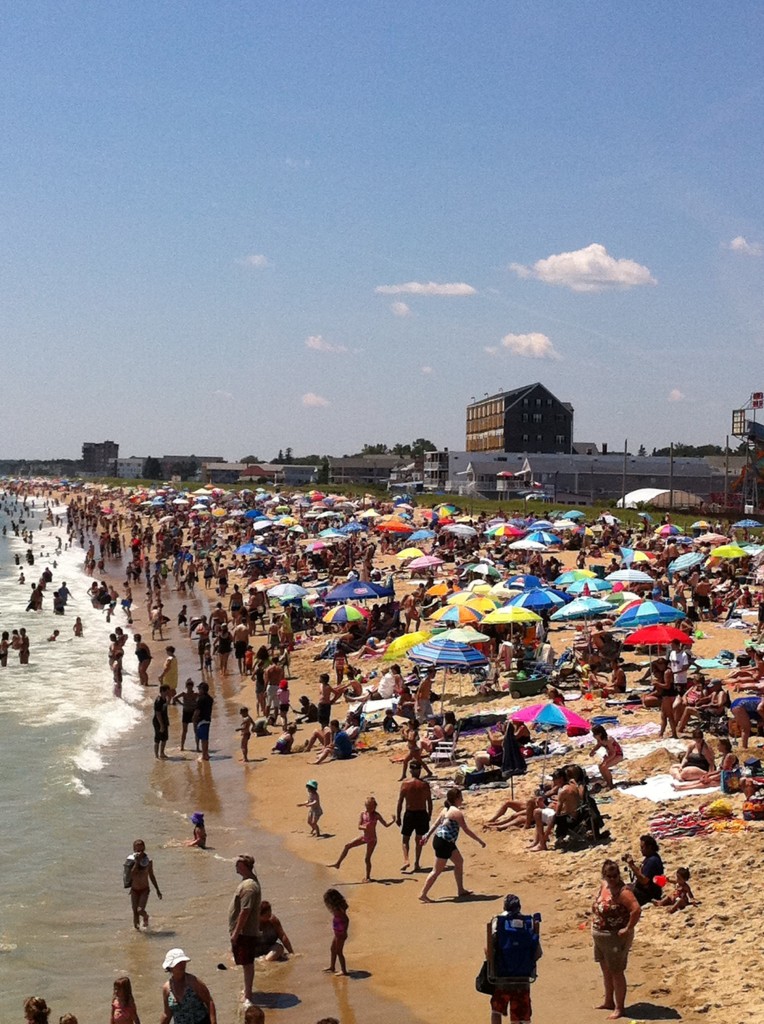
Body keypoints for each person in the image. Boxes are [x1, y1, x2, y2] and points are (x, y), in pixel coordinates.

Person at [591, 860, 641, 1020]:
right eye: (609, 876)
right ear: (604, 876)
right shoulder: (604, 886)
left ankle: (620, 1008)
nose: (612, 879)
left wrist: (628, 928)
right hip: (600, 935)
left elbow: (636, 910)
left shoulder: (623, 892)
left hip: (615, 938)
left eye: (615, 876)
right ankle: (608, 1001)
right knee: (605, 970)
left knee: (616, 972)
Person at [419, 787, 486, 902]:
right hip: (444, 843)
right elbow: (466, 830)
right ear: (456, 798)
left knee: (459, 862)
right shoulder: (456, 812)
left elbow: (435, 825)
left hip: (444, 841)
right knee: (436, 871)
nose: (462, 800)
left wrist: (427, 836)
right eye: (461, 797)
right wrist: (479, 840)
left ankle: (460, 890)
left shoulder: (446, 809)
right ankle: (423, 894)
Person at [486, 893, 542, 1024]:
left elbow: (489, 950)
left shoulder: (497, 922)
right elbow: (538, 953)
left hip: (502, 975)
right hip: (522, 977)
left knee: (496, 1010)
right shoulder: (528, 923)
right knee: (521, 1015)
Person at [329, 796, 392, 881]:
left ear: (374, 806)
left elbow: (386, 825)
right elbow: (359, 826)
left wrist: (393, 820)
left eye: (371, 807)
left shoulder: (376, 815)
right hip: (364, 837)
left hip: (372, 839)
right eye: (367, 807)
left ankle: (368, 877)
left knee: (367, 858)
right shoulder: (363, 814)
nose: (369, 809)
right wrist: (364, 827)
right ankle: (338, 863)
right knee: (347, 845)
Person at [228, 854, 262, 1007]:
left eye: (237, 864)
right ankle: (247, 990)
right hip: (244, 931)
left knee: (247, 963)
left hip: (245, 932)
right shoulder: (248, 882)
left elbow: (245, 911)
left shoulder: (249, 887)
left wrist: (236, 932)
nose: (235, 866)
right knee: (245, 962)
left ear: (243, 866)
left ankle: (248, 994)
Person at [160, 949, 217, 1024]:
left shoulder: (193, 982)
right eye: (178, 963)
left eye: (183, 962)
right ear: (170, 967)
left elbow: (209, 1002)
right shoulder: (167, 988)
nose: (182, 965)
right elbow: (167, 1014)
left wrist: (213, 1022)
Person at [396, 761, 433, 871]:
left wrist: (398, 816)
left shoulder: (405, 783)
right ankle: (417, 863)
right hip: (422, 814)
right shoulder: (424, 785)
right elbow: (429, 802)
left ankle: (406, 860)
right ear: (420, 770)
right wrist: (429, 815)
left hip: (410, 814)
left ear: (410, 770)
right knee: (419, 840)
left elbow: (400, 801)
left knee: (405, 839)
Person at [127, 839, 162, 930]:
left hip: (144, 889)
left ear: (144, 849)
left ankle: (146, 917)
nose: (139, 852)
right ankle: (138, 934)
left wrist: (157, 889)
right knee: (135, 912)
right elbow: (132, 874)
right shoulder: (131, 860)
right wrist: (137, 862)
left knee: (140, 910)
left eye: (141, 850)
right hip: (134, 890)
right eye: (137, 850)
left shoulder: (148, 861)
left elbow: (151, 876)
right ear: (134, 849)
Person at [624, 834, 664, 906]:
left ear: (649, 847)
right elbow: (641, 872)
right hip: (646, 891)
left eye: (642, 847)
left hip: (648, 894)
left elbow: (644, 881)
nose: (641, 850)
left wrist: (632, 865)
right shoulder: (651, 857)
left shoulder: (652, 861)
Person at [323, 888, 349, 976]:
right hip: (337, 932)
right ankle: (332, 967)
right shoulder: (336, 908)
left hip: (341, 933)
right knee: (332, 949)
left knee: (339, 951)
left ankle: (343, 970)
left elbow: (346, 919)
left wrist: (345, 930)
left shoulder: (339, 909)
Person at [589, 725, 624, 789]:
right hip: (610, 755)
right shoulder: (600, 739)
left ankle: (610, 784)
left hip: (618, 755)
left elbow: (613, 753)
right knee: (600, 767)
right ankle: (607, 781)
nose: (593, 736)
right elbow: (599, 745)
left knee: (604, 766)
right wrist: (593, 751)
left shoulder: (608, 740)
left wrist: (606, 761)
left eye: (594, 734)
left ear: (600, 734)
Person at [173, 681, 198, 752]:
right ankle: (182, 746)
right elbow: (174, 698)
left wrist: (197, 705)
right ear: (186, 686)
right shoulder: (184, 694)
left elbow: (201, 698)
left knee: (196, 730)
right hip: (186, 712)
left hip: (193, 712)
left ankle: (198, 747)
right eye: (188, 686)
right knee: (184, 731)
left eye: (191, 686)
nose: (189, 688)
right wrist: (181, 704)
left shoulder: (195, 694)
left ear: (192, 687)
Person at [194, 682, 214, 762]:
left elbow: (197, 711)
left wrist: (194, 719)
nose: (198, 690)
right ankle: (206, 754)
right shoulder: (210, 698)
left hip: (201, 720)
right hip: (208, 719)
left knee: (203, 739)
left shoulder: (200, 699)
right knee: (206, 738)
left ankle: (204, 755)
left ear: (202, 689)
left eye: (199, 689)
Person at [153, 685, 171, 760]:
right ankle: (156, 755)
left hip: (164, 720)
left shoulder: (164, 699)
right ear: (163, 691)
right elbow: (158, 714)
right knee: (158, 739)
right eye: (167, 691)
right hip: (158, 722)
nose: (168, 692)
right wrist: (161, 725)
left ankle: (162, 753)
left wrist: (169, 699)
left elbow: (166, 705)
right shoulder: (158, 700)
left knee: (164, 738)